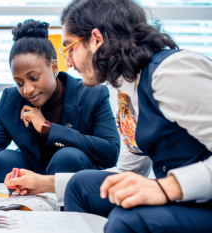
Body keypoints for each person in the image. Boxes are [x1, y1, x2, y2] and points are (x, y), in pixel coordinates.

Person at [57, 0, 212, 232]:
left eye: (69, 49)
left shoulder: (172, 72)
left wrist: (166, 188)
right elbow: (128, 173)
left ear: (96, 39)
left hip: (203, 199)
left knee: (127, 218)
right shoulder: (128, 90)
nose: (68, 63)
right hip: (184, 195)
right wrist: (43, 183)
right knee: (80, 185)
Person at [0, 19, 121, 200]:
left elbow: (110, 151)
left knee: (67, 156)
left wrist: (48, 129)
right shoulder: (11, 99)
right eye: (19, 83)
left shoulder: (92, 94)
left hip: (72, 181)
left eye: (34, 78)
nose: (27, 90)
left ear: (54, 67)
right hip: (31, 180)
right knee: (3, 159)